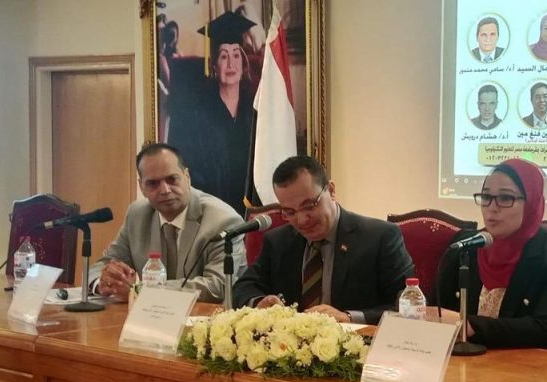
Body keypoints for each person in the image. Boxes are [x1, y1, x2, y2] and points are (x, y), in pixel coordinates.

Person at [232, 156, 414, 325]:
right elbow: (243, 287)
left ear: (331, 191)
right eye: (290, 212)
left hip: (359, 344)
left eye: (309, 206)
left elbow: (408, 306)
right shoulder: (278, 241)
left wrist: (349, 317)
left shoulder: (380, 238)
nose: (302, 220)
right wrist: (259, 302)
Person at [436, 159, 547, 351]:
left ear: (531, 203)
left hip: (537, 364)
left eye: (505, 198)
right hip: (469, 362)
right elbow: (437, 310)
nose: (492, 207)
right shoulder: (466, 245)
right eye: (486, 196)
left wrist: (470, 326)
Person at [89, 143, 246, 303]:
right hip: (151, 314)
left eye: (172, 179)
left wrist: (142, 291)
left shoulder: (223, 220)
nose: (165, 190)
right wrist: (104, 283)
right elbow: (104, 264)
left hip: (206, 315)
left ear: (187, 177)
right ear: (141, 187)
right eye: (153, 183)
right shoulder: (137, 215)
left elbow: (218, 286)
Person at [166, 11, 258, 217]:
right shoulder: (197, 113)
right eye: (224, 56)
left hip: (251, 212)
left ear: (244, 64)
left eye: (236, 55)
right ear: (214, 64)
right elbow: (187, 167)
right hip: (210, 211)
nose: (231, 64)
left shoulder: (254, 111)